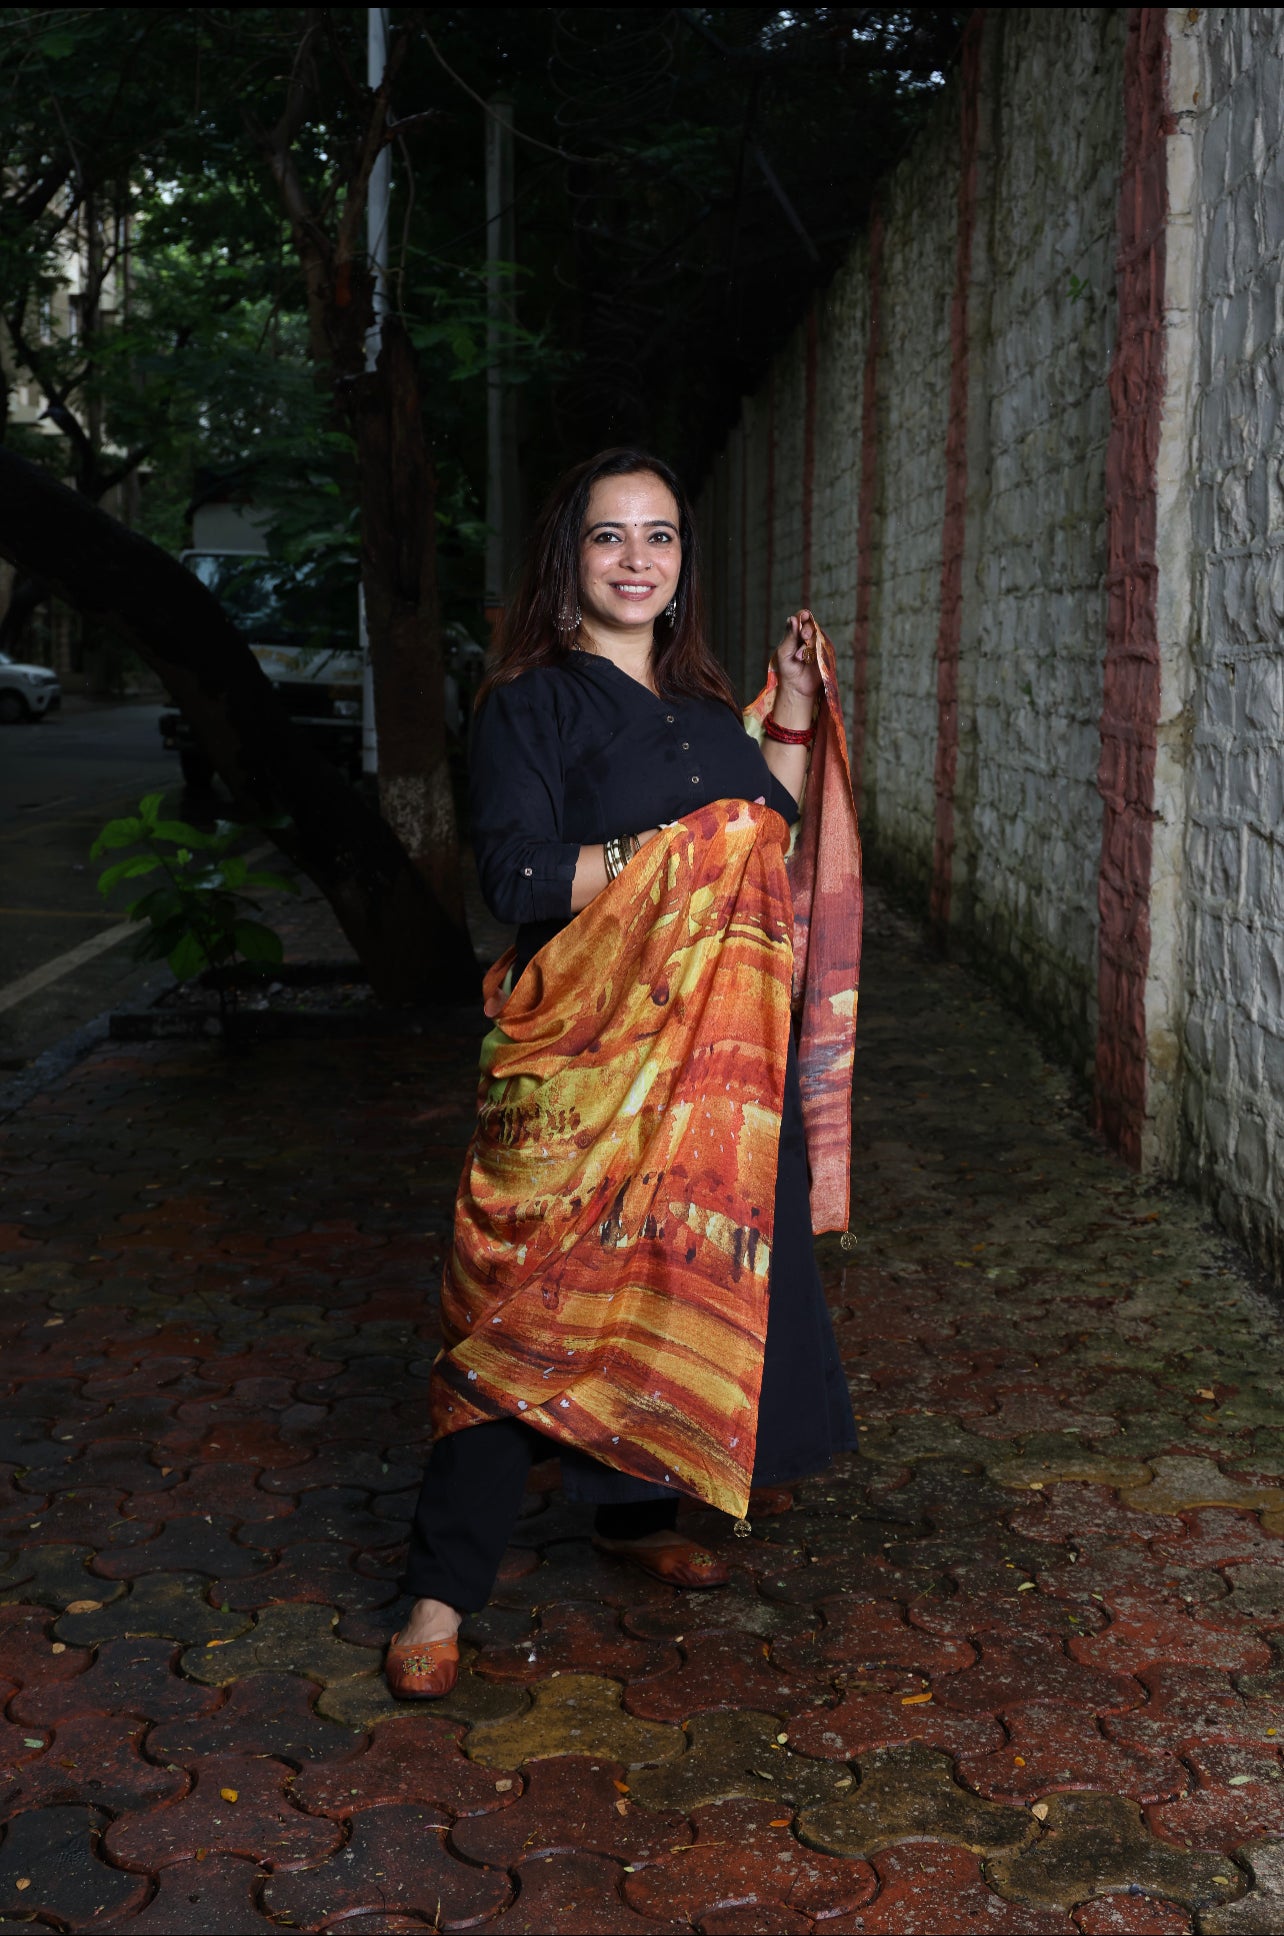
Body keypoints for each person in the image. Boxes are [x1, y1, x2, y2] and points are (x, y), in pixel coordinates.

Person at [386, 446, 862, 1699]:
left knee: (679, 1272)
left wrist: (798, 703)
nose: (637, 559)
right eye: (611, 537)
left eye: (660, 537)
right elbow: (520, 879)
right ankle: (440, 1588)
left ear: (682, 564)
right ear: (568, 560)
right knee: (526, 1309)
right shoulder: (527, 706)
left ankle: (632, 1519)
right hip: (585, 1071)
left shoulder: (708, 714)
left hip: (714, 1075)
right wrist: (682, 846)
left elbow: (769, 826)